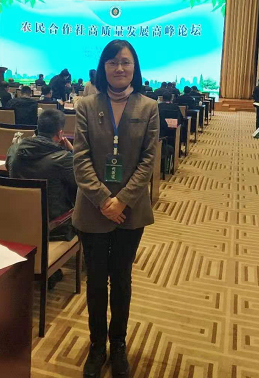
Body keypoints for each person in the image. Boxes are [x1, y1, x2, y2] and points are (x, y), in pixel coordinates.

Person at [73, 39, 158, 378]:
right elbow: (80, 159)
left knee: (121, 279)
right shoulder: (86, 105)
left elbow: (149, 160)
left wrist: (121, 200)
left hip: (131, 210)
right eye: (112, 62)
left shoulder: (149, 107)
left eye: (125, 62)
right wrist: (103, 200)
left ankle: (118, 343)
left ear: (135, 67)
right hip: (92, 209)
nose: (119, 68)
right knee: (96, 281)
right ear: (103, 67)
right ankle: (97, 345)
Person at [6, 109, 77, 242]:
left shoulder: (14, 151)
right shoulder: (64, 159)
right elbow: (79, 184)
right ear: (60, 134)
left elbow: (9, 168)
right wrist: (72, 151)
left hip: (19, 223)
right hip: (55, 229)